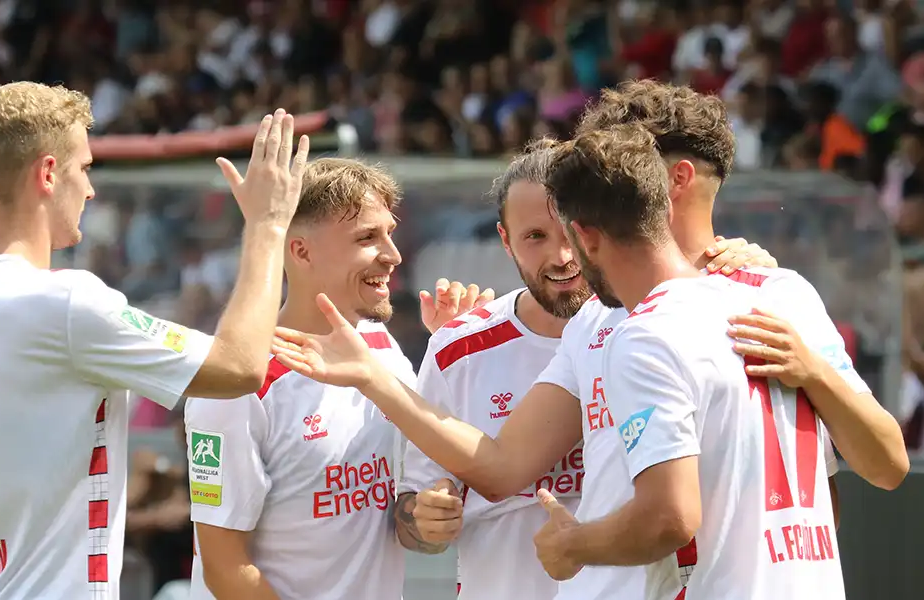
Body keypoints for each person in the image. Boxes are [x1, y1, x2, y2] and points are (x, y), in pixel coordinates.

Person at [268, 80, 906, 600]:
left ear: (668, 181)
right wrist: (376, 379)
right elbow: (501, 468)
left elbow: (867, 475)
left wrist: (815, 374)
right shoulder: (603, 321)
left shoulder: (760, 297)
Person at [0, 82, 310, 599]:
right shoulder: (64, 304)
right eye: (85, 168)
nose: (91, 190)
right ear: (49, 174)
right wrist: (269, 228)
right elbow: (239, 366)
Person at [394, 137, 776, 600]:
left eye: (570, 231)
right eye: (535, 237)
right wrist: (427, 519)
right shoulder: (457, 350)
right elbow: (409, 516)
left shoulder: (658, 326)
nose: (562, 257)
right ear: (505, 240)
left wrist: (747, 267)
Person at [530, 122, 846, 598]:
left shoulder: (644, 335)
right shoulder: (764, 303)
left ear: (585, 237)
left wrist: (573, 545)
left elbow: (669, 517)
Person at [186, 157, 492, 600]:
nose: (393, 254)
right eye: (367, 237)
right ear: (301, 250)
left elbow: (405, 524)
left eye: (389, 232)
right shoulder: (239, 383)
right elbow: (225, 569)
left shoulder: (382, 349)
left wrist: (427, 521)